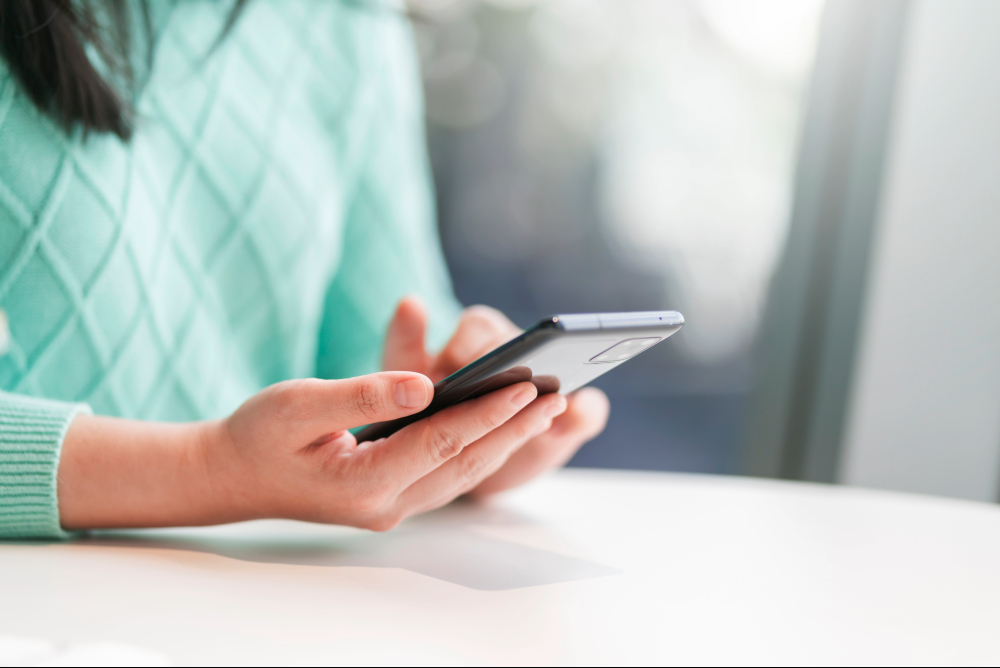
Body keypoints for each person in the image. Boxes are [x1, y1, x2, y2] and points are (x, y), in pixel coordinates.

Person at [0, 0, 609, 539]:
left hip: (272, 605)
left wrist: (462, 436)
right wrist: (210, 470)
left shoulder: (348, 21)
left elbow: (381, 342)